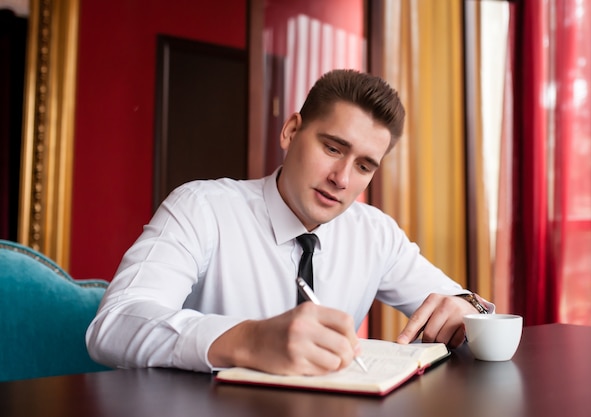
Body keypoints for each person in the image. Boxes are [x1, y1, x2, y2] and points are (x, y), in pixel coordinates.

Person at [86, 69, 492, 377]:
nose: (342, 178)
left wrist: (465, 306)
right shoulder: (202, 208)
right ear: (291, 131)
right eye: (333, 148)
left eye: (364, 166)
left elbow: (461, 306)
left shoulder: (375, 233)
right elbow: (112, 327)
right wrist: (245, 339)